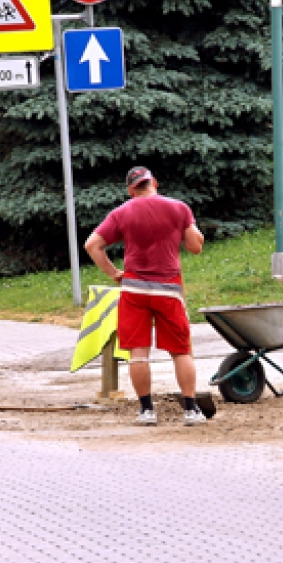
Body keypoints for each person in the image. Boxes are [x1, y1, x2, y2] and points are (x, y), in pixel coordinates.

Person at [84, 166, 207, 426]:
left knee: (138, 354)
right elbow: (194, 247)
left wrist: (114, 273)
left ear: (131, 190)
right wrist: (198, 235)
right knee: (181, 351)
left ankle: (146, 411)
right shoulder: (179, 208)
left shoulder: (121, 212)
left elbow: (92, 245)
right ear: (155, 183)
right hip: (169, 290)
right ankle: (190, 410)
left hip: (134, 290)